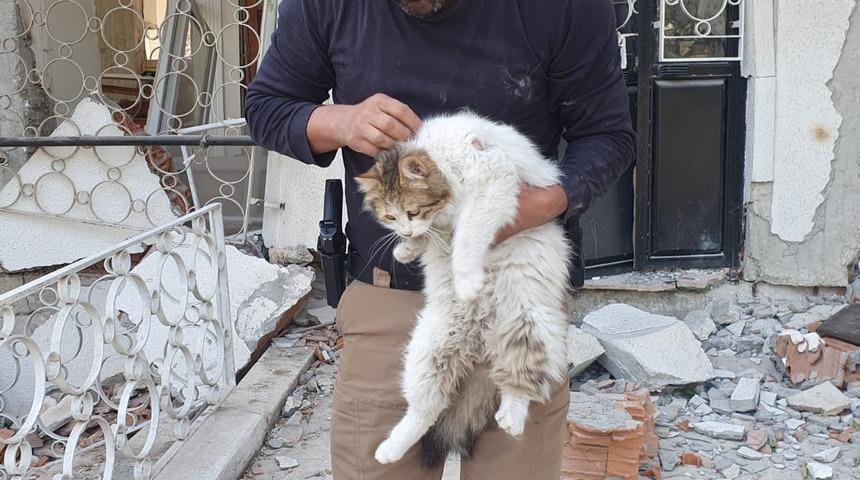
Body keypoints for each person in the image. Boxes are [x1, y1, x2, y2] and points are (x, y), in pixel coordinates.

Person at [245, 1, 635, 478]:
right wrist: (340, 122)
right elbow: (265, 108)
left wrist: (537, 205)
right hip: (391, 292)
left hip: (514, 286)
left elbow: (609, 135)